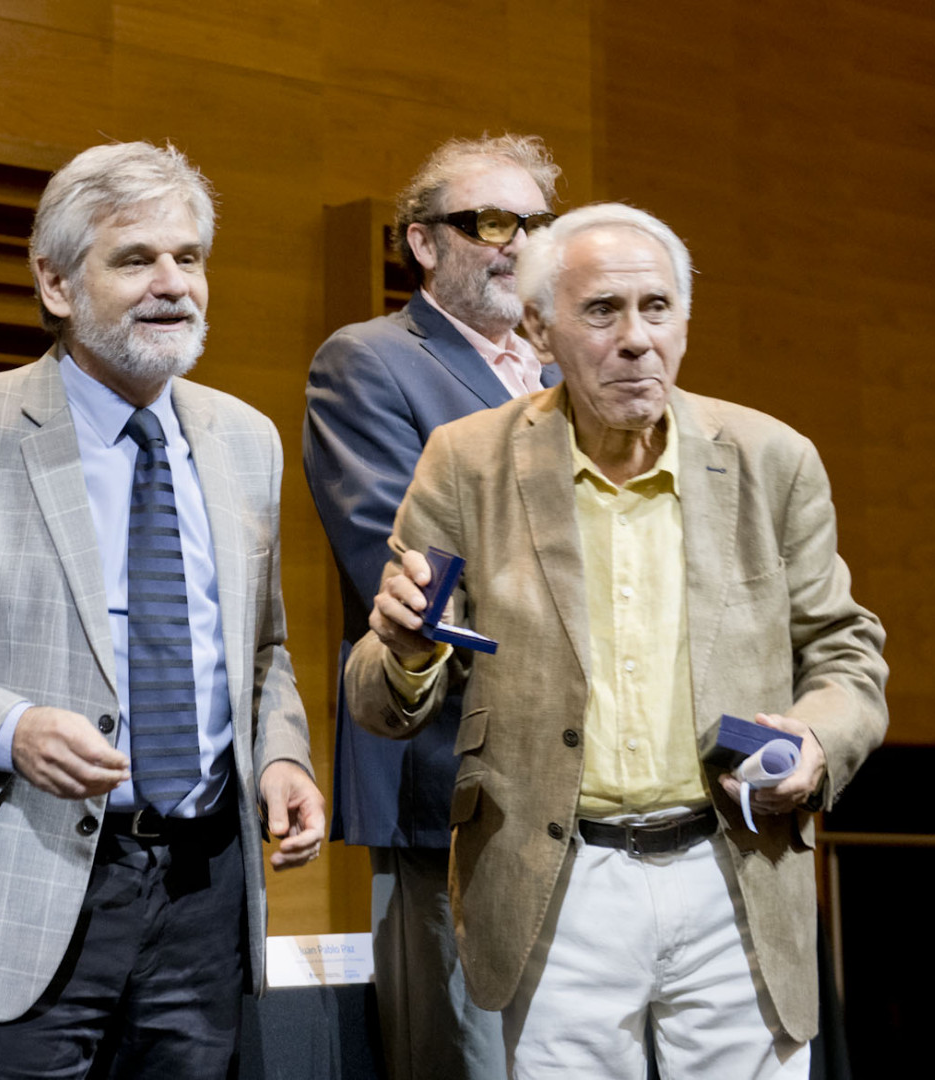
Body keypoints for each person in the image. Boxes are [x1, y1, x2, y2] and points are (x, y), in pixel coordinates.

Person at [344, 204, 887, 1078]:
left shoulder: (770, 458)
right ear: (538, 328)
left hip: (733, 869)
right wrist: (406, 648)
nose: (635, 339)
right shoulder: (466, 462)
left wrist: (816, 739)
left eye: (656, 308)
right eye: (601, 311)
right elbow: (379, 698)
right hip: (557, 880)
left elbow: (844, 652)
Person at [0, 140, 324, 1078]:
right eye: (134, 259)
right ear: (55, 284)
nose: (172, 283)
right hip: (22, 891)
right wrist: (8, 729)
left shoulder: (245, 440)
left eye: (189, 258)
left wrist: (282, 752)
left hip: (201, 895)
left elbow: (262, 651)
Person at [302, 133, 559, 1080]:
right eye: (489, 221)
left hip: (584, 781)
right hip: (446, 765)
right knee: (466, 1059)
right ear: (421, 242)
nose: (516, 243)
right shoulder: (368, 361)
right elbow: (401, 562)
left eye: (534, 222)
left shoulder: (570, 373)